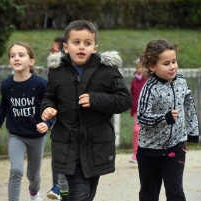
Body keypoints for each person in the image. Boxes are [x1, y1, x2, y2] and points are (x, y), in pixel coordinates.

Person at [41, 20, 133, 201]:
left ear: (95, 47)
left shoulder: (107, 70)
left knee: (86, 194)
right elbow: (49, 96)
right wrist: (47, 108)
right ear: (66, 47)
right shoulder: (57, 71)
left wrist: (96, 99)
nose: (82, 47)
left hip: (96, 146)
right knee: (80, 194)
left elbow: (125, 100)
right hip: (67, 145)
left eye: (87, 43)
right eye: (76, 42)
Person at [0, 41, 55, 201]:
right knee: (16, 170)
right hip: (16, 136)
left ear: (31, 61)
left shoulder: (40, 84)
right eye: (13, 56)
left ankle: (34, 193)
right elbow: (3, 106)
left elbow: (51, 107)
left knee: (33, 176)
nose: (16, 58)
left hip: (36, 137)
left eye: (21, 55)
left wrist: (47, 124)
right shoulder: (6, 85)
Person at [136, 39, 199, 201]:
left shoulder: (181, 82)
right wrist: (164, 118)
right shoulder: (149, 88)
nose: (172, 66)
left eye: (174, 61)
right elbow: (142, 117)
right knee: (149, 194)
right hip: (149, 151)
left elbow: (189, 104)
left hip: (175, 147)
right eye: (166, 63)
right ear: (152, 66)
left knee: (175, 192)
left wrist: (193, 131)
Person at [46, 35, 69, 201]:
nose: (50, 53)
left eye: (54, 50)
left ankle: (62, 187)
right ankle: (57, 186)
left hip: (69, 120)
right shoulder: (52, 69)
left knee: (68, 156)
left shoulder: (68, 70)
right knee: (58, 154)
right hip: (55, 119)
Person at [129, 58, 147, 163]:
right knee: (136, 130)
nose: (139, 69)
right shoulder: (134, 82)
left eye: (142, 67)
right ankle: (135, 153)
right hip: (137, 111)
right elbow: (132, 96)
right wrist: (132, 109)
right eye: (138, 67)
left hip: (147, 111)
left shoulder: (148, 81)